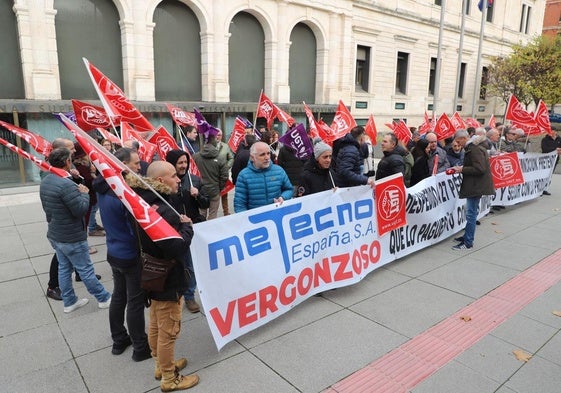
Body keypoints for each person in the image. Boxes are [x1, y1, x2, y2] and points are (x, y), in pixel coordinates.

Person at [129, 161, 199, 391]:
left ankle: (160, 364)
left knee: (157, 325)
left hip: (153, 274)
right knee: (168, 330)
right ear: (160, 181)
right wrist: (187, 227)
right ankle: (170, 378)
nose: (179, 179)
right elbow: (177, 247)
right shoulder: (164, 211)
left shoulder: (143, 202)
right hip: (168, 277)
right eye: (173, 176)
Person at [93, 147, 151, 361]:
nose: (139, 166)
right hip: (129, 254)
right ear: (122, 165)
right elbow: (133, 230)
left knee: (119, 296)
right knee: (134, 301)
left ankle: (119, 340)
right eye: (136, 163)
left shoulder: (102, 186)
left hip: (114, 251)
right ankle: (140, 347)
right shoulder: (122, 195)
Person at [40, 147, 112, 313]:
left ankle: (70, 301)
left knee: (64, 269)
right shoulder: (65, 185)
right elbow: (80, 210)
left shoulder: (47, 180)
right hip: (71, 236)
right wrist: (85, 194)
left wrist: (75, 180)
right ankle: (103, 298)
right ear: (66, 162)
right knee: (85, 270)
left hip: (56, 234)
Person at [44, 138, 100, 301]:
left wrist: (75, 177)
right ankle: (52, 286)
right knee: (61, 256)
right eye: (70, 149)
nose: (74, 150)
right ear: (61, 154)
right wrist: (83, 192)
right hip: (64, 224)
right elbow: (75, 205)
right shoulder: (53, 173)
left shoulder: (68, 166)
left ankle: (81, 274)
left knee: (72, 253)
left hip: (68, 222)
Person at [166, 149, 210, 313]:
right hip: (176, 230)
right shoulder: (167, 183)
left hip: (194, 227)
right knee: (179, 264)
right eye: (180, 163)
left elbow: (206, 204)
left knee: (191, 265)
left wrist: (198, 196)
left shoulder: (195, 180)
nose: (184, 166)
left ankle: (190, 296)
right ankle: (178, 292)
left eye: (185, 162)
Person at [451, 131, 495, 250]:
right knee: (471, 213)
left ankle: (468, 242)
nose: (458, 144)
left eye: (459, 141)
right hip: (476, 185)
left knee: (471, 214)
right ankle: (467, 237)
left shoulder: (474, 149)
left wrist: (462, 169)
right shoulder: (475, 147)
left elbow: (479, 169)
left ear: (464, 138)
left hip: (476, 186)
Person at [234, 141, 293, 212]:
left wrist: (283, 197)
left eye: (268, 153)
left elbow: (289, 189)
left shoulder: (279, 171)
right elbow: (239, 204)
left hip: (277, 215)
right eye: (262, 155)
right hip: (255, 219)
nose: (267, 157)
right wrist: (245, 220)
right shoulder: (243, 175)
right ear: (252, 157)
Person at [193, 135, 229, 220]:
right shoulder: (220, 158)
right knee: (213, 214)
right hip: (214, 190)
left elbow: (192, 172)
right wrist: (219, 188)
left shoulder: (195, 156)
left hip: (201, 190)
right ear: (215, 144)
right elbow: (224, 176)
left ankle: (202, 229)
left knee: (202, 213)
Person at [215, 129, 234, 216]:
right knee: (213, 195)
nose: (217, 136)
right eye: (215, 135)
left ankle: (226, 212)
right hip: (213, 174)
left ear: (221, 136)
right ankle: (212, 213)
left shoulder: (226, 146)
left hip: (223, 174)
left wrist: (226, 167)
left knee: (224, 194)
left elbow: (231, 158)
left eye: (219, 135)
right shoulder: (207, 146)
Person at [540, 129, 561, 195]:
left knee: (550, 174)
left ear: (556, 132)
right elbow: (544, 149)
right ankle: (540, 189)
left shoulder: (559, 139)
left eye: (553, 131)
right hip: (546, 159)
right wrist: (555, 149)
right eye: (550, 131)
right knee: (543, 174)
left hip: (555, 159)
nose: (552, 132)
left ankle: (545, 188)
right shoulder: (545, 139)